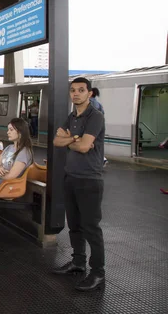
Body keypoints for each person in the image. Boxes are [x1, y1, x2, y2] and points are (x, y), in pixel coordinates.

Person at [52, 77, 106, 292]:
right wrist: (76, 139)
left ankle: (98, 272)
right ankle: (78, 262)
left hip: (90, 180)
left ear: (89, 93)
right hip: (71, 177)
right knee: (74, 225)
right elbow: (57, 141)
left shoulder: (96, 116)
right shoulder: (72, 115)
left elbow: (84, 147)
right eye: (73, 90)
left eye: (81, 90)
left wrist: (72, 140)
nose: (76, 94)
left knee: (91, 228)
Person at [90, 87, 108, 167]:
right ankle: (101, 159)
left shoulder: (89, 102)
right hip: (98, 127)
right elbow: (102, 114)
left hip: (91, 128)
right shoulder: (98, 104)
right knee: (97, 145)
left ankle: (101, 160)